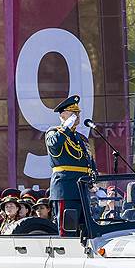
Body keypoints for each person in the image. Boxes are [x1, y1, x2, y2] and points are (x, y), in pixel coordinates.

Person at [45, 95, 97, 234]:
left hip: (82, 188)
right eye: (73, 113)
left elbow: (89, 160)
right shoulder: (54, 132)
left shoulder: (80, 138)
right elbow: (54, 144)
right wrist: (66, 125)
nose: (77, 116)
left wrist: (94, 177)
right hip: (66, 189)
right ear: (62, 115)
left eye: (78, 113)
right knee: (67, 230)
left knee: (86, 231)